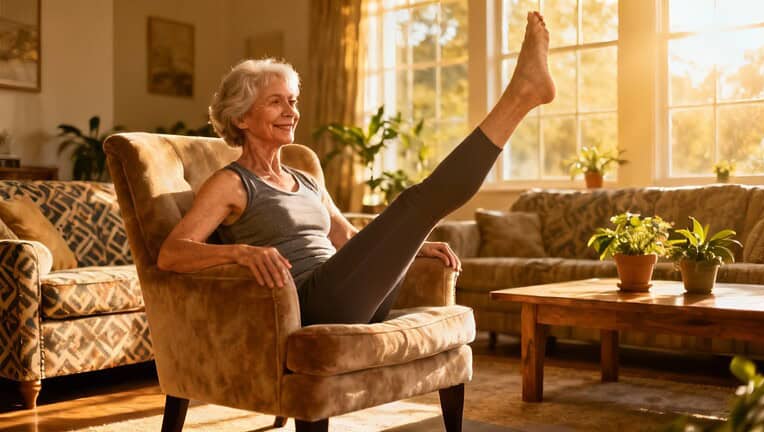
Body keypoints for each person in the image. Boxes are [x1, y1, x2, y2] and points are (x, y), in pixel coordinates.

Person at [157, 11, 555, 326]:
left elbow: (347, 238)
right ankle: (520, 97)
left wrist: (410, 243)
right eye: (276, 102)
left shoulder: (305, 179)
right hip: (311, 305)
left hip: (355, 297)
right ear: (241, 117)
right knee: (417, 201)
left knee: (416, 212)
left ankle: (522, 94)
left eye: (292, 101)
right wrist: (241, 254)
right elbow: (172, 254)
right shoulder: (232, 183)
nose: (291, 112)